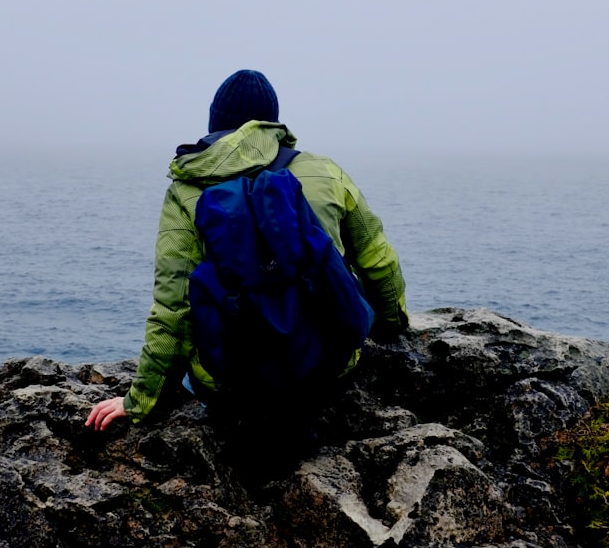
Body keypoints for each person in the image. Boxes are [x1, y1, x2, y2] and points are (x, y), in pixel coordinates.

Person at [85, 69, 408, 441]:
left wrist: (140, 400)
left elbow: (175, 305)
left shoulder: (188, 188)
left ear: (214, 122)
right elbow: (378, 260)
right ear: (273, 122)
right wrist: (392, 324)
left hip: (233, 384)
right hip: (328, 368)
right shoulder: (325, 171)